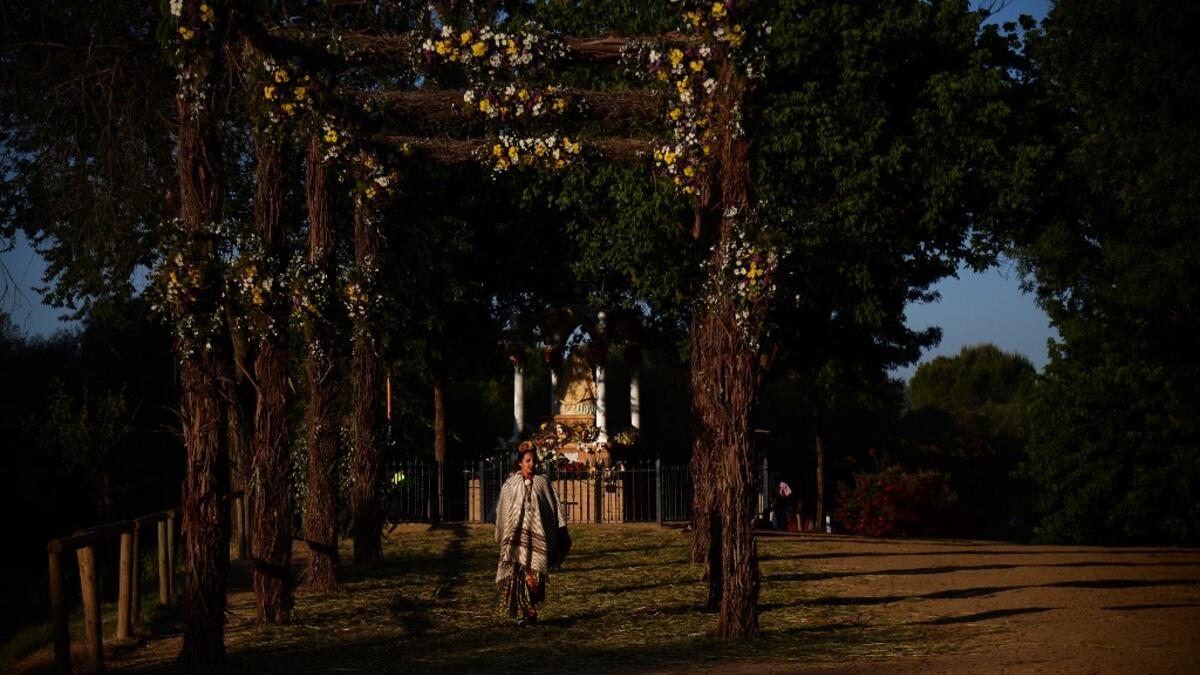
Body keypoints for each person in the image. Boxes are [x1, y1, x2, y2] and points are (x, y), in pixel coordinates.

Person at [494, 446, 571, 627]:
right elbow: (503, 510)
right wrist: (504, 532)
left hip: (537, 539)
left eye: (534, 461)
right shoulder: (510, 484)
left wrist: (555, 530)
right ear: (520, 462)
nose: (532, 464)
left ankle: (530, 610)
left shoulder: (542, 482)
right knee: (518, 577)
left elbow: (552, 509)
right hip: (516, 540)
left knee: (534, 578)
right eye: (528, 461)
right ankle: (526, 612)